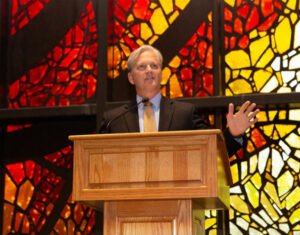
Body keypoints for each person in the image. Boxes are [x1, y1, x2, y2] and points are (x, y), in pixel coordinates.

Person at [99, 45, 260, 156]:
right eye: (142, 67)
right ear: (130, 78)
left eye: (154, 66)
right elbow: (97, 161)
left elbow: (213, 153)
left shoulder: (184, 113)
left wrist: (232, 134)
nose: (149, 71)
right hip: (127, 203)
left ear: (161, 74)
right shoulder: (113, 120)